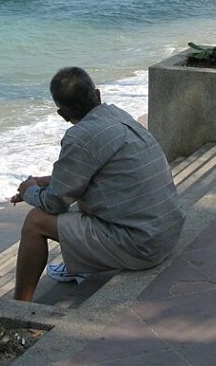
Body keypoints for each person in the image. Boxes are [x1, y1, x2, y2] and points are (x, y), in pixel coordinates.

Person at [10, 67, 184, 302]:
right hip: (167, 231)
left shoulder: (79, 137)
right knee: (84, 198)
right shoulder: (118, 115)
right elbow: (93, 174)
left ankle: (19, 306)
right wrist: (45, 181)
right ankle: (81, 266)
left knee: (35, 221)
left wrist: (28, 190)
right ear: (98, 95)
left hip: (144, 247)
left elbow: (54, 203)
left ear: (62, 114)